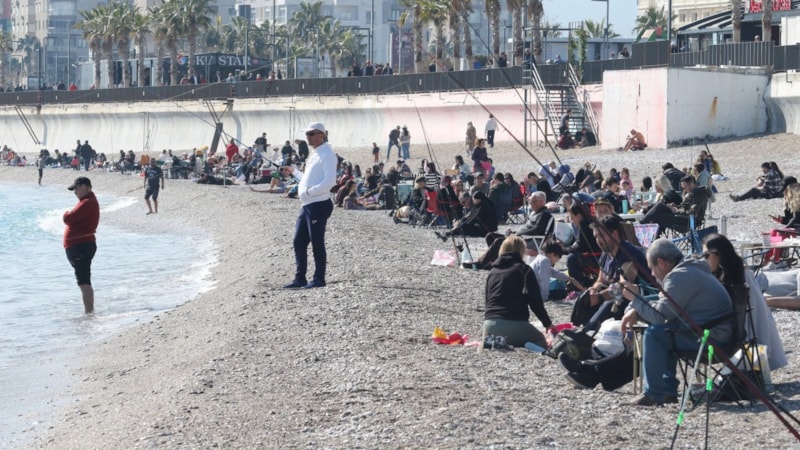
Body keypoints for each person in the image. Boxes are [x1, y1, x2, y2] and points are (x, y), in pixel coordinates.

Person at [619, 239, 734, 406]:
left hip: (712, 340)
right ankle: (667, 391)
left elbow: (659, 316)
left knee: (655, 334)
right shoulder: (691, 268)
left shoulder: (680, 276)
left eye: (652, 269)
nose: (652, 275)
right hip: (720, 332)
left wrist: (635, 299)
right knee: (665, 330)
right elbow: (665, 306)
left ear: (661, 263)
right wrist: (637, 309)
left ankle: (654, 394)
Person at [702, 234, 787, 371]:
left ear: (719, 254)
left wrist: (762, 346)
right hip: (731, 330)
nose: (704, 260)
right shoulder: (716, 275)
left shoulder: (743, 274)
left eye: (706, 255)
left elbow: (758, 313)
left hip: (745, 332)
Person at [283, 122, 337, 289]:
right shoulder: (315, 154)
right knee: (298, 242)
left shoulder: (327, 154)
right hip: (307, 205)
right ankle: (300, 278)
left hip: (318, 204)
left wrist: (310, 192)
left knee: (317, 242)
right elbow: (307, 178)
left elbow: (330, 181)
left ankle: (319, 279)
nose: (308, 137)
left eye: (312, 134)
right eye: (307, 134)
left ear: (322, 135)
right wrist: (293, 172)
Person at [483, 236, 557, 348]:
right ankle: (524, 344)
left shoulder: (492, 272)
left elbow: (488, 302)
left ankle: (499, 342)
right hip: (514, 322)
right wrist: (547, 324)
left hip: (489, 327)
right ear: (521, 251)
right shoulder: (525, 270)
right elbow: (536, 303)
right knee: (540, 340)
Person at [63, 177, 100, 314]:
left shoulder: (87, 202)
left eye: (77, 188)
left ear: (86, 187)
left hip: (81, 246)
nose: (75, 192)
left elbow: (68, 218)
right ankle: (89, 313)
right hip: (80, 245)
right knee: (83, 281)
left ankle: (89, 313)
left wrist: (66, 213)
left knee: (84, 282)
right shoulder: (86, 202)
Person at [639, 175, 709, 235]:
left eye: (685, 187)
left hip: (689, 221)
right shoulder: (692, 193)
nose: (684, 190)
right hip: (684, 218)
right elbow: (685, 207)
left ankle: (643, 225)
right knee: (661, 208)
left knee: (660, 212)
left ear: (691, 183)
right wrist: (676, 206)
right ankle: (651, 235)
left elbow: (692, 212)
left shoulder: (699, 195)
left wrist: (676, 210)